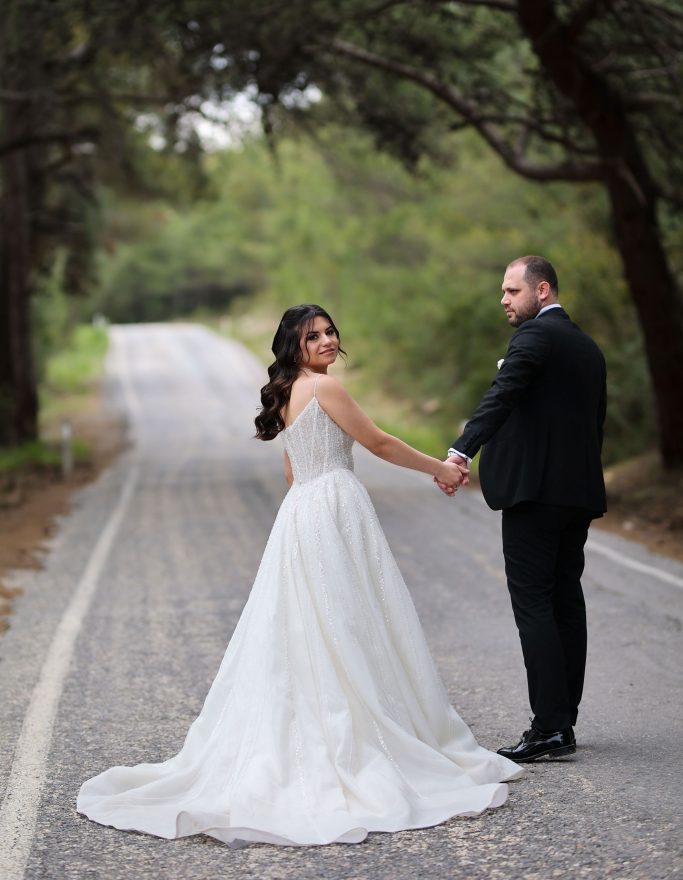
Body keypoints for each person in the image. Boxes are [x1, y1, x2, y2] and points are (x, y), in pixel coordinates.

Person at [77, 303, 521, 848]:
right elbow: (378, 442)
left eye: (331, 330)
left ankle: (326, 723)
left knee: (311, 625)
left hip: (303, 512)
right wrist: (442, 468)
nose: (328, 340)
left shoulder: (288, 392)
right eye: (314, 336)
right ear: (295, 346)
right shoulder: (325, 390)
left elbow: (291, 470)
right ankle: (362, 737)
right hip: (334, 506)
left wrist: (310, 507)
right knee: (350, 621)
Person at [439, 257, 606, 763]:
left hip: (534, 496)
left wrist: (461, 450)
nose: (504, 300)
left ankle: (550, 728)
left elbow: (502, 396)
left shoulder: (535, 338)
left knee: (534, 604)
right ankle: (564, 718)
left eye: (512, 291)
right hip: (575, 494)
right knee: (565, 602)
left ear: (543, 289)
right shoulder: (588, 347)